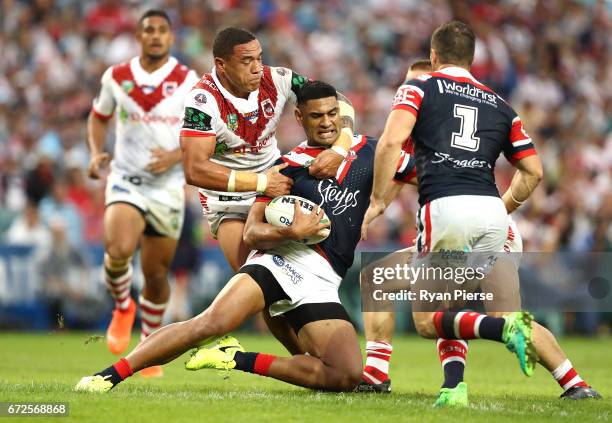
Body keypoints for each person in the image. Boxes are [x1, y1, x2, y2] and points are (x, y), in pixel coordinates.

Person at [74, 81, 405, 393]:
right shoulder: (285, 167)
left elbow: (421, 171)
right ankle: (110, 375)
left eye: (332, 114)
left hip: (324, 278)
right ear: (299, 117)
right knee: (209, 324)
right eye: (316, 116)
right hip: (277, 262)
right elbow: (252, 231)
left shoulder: (371, 152)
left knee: (345, 375)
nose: (327, 123)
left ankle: (234, 358)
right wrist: (291, 231)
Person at [361, 21, 600, 402]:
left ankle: (376, 376)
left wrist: (376, 201)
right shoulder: (499, 103)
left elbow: (389, 145)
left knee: (418, 312)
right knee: (487, 310)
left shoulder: (420, 90)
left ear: (434, 59)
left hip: (450, 214)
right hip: (494, 218)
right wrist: (502, 210)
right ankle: (572, 383)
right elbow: (534, 171)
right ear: (472, 59)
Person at [179, 26, 355, 352]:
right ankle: (303, 359)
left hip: (278, 191)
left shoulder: (279, 79)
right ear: (221, 64)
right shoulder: (202, 101)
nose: (258, 68)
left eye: (259, 58)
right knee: (260, 280)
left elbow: (337, 100)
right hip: (228, 202)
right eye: (247, 61)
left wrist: (341, 147)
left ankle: (325, 351)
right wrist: (261, 182)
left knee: (303, 270)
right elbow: (195, 169)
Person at [86, 9, 200, 377]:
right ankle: (122, 306)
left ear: (171, 37)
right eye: (148, 30)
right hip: (126, 179)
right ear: (139, 35)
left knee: (155, 274)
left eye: (162, 30)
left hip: (167, 187)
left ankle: (149, 343)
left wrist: (173, 155)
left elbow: (201, 132)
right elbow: (98, 116)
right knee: (118, 249)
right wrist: (94, 150)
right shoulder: (117, 77)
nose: (155, 36)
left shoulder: (187, 80)